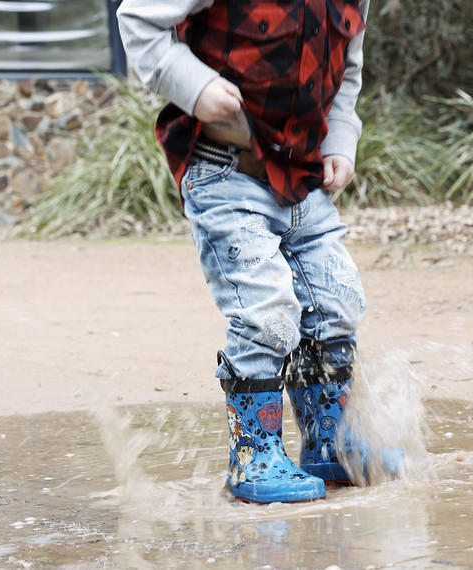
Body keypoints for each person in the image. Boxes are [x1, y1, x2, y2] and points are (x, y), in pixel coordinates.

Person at [117, 0, 371, 504]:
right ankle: (254, 456)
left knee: (337, 304)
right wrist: (196, 85)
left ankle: (330, 443)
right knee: (268, 311)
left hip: (304, 176)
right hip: (225, 171)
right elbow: (137, 21)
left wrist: (341, 142)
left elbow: (348, 71)